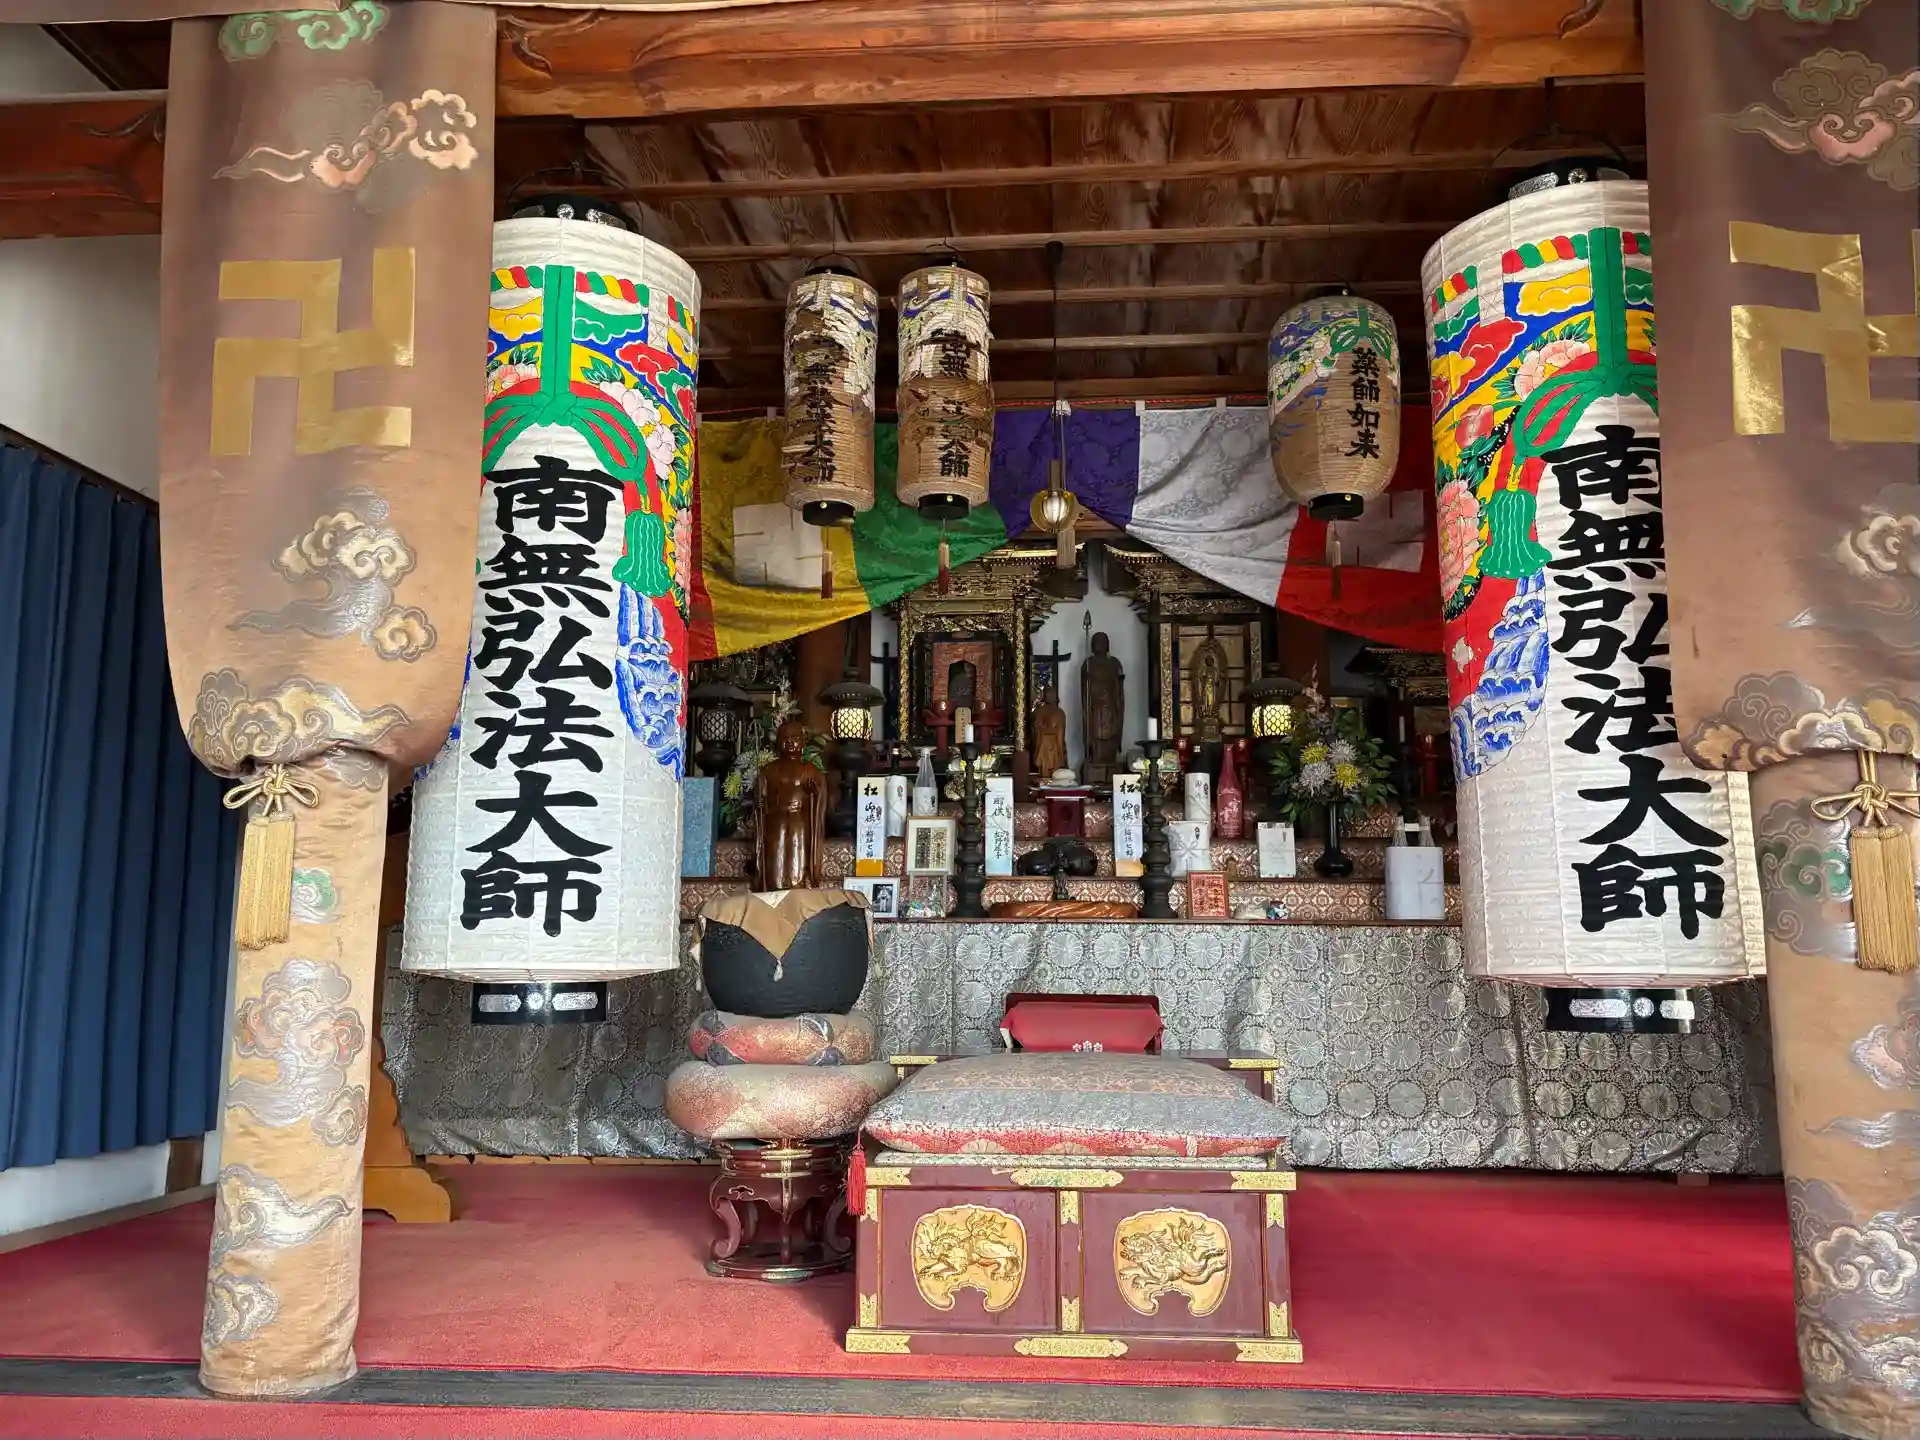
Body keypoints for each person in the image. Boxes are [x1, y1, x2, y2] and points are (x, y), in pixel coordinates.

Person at [754, 719, 826, 889]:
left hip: (799, 822)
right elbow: (760, 795)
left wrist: (814, 793)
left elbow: (821, 798)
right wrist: (760, 803)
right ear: (778, 741)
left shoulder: (810, 770)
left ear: (803, 741)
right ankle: (772, 888)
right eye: (785, 738)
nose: (790, 742)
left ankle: (798, 887)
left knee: (797, 858)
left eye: (795, 738)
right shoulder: (769, 770)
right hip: (775, 821)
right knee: (774, 859)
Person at [1080, 631, 1124, 784]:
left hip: (1111, 708)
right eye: (1096, 641)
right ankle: (1096, 769)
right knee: (1095, 739)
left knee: (1111, 738)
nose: (1099, 645)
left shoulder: (1114, 663)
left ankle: (1109, 768)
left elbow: (1119, 690)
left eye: (1102, 641)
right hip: (1095, 709)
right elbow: (1085, 693)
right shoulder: (1088, 664)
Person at [1030, 684, 1068, 778]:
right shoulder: (1060, 713)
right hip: (1054, 747)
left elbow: (1036, 732)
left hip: (1043, 747)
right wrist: (1061, 752)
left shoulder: (1040, 712)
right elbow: (1060, 736)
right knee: (1055, 775)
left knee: (1044, 774)